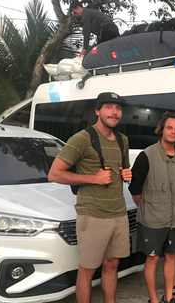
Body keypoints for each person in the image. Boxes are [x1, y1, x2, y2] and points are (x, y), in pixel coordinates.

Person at [48, 92, 132, 303]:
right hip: (93, 215)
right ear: (97, 111)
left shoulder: (123, 140)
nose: (114, 112)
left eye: (118, 108)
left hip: (119, 214)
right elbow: (55, 173)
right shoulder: (82, 138)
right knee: (87, 269)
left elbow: (123, 169)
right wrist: (94, 179)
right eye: (109, 107)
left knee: (112, 263)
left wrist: (127, 174)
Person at [129, 112, 175, 303]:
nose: (173, 132)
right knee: (153, 259)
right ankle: (154, 299)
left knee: (172, 258)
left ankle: (169, 297)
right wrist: (149, 208)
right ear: (161, 129)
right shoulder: (146, 156)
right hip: (153, 220)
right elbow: (135, 189)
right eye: (169, 127)